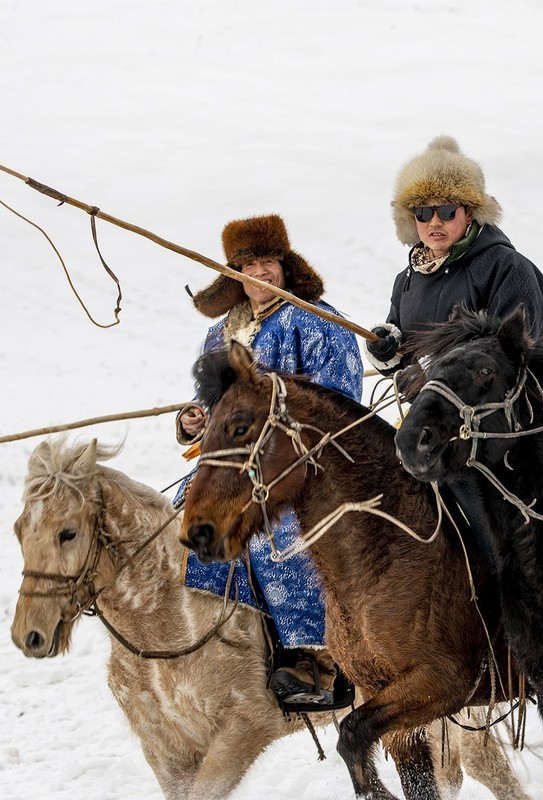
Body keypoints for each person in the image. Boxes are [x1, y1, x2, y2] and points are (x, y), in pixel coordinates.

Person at [174, 213, 363, 704]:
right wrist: (194, 420)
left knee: (273, 532)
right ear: (233, 274)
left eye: (268, 261)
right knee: (180, 518)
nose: (260, 272)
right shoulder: (220, 336)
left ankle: (317, 661)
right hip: (234, 467)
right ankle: (229, 650)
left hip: (307, 468)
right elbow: (212, 407)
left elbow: (340, 404)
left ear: (285, 264)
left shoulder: (317, 321)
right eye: (248, 264)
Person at [365, 135, 543, 373]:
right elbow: (399, 366)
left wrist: (430, 376)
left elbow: (513, 360)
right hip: (421, 399)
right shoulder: (406, 279)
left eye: (447, 211)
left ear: (469, 214)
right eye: (423, 212)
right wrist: (386, 350)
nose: (435, 222)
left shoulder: (507, 268)